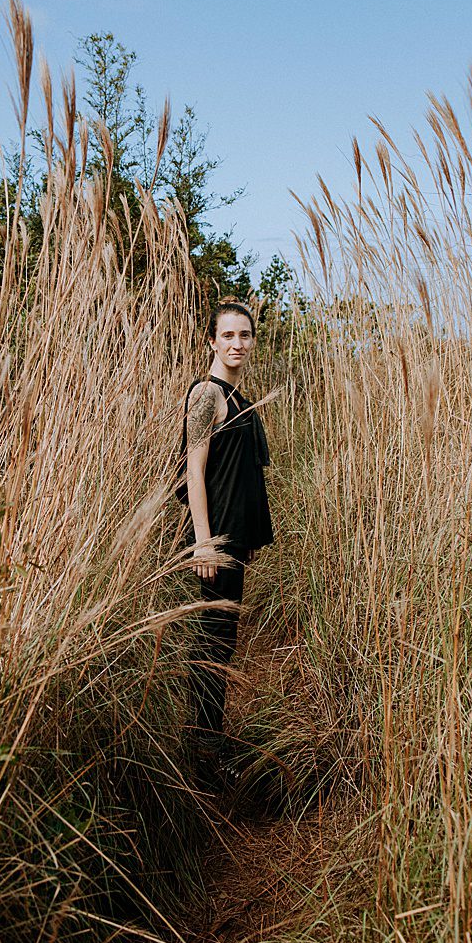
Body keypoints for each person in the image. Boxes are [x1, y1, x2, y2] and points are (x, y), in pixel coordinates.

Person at [175, 298, 273, 785]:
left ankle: (208, 740)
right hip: (214, 545)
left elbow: (240, 475)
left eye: (244, 335)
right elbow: (194, 471)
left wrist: (244, 537)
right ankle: (203, 756)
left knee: (223, 643)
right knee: (212, 647)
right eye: (228, 336)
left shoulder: (239, 398)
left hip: (235, 544)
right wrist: (204, 542)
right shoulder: (206, 396)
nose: (237, 344)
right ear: (211, 341)